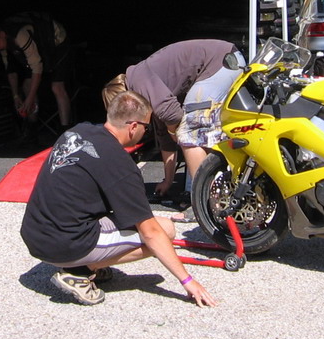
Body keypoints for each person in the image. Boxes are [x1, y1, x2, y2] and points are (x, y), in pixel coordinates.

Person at [20, 90, 217, 307]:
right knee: (166, 229)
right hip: (63, 244)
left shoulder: (78, 131)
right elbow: (150, 232)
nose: (146, 132)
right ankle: (80, 270)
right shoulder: (121, 165)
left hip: (34, 234)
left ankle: (85, 261)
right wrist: (187, 281)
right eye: (147, 127)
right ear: (133, 127)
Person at [102, 39, 243, 207]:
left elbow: (173, 115)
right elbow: (165, 139)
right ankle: (217, 191)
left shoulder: (139, 80)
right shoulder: (149, 92)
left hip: (220, 62)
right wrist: (168, 181)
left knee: (190, 132)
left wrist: (173, 131)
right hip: (226, 60)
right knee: (194, 131)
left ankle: (211, 204)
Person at [0, 11, 74, 132]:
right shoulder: (3, 44)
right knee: (27, 85)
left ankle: (65, 130)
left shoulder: (19, 35)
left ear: (2, 34)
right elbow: (10, 70)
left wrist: (30, 98)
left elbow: (37, 67)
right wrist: (15, 96)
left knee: (57, 87)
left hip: (57, 42)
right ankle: (31, 129)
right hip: (40, 49)